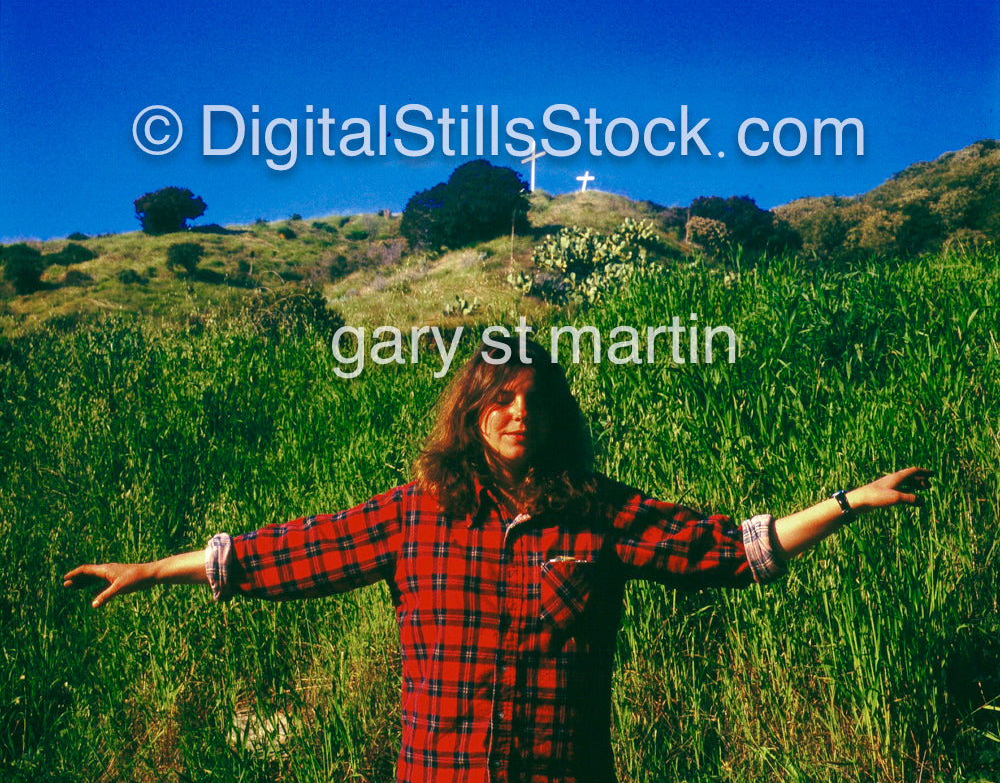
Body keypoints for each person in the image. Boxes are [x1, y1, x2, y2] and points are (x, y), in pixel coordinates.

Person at [64, 339, 931, 783]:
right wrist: (147, 570)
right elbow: (285, 555)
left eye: (534, 401)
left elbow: (735, 550)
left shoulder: (603, 512)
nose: (519, 415)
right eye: (501, 399)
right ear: (472, 411)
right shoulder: (417, 514)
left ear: (554, 415)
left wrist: (848, 501)